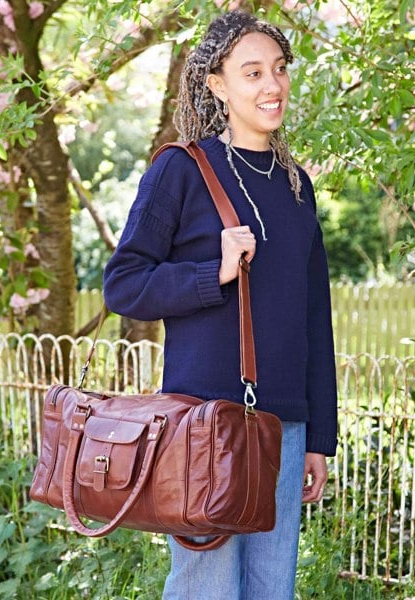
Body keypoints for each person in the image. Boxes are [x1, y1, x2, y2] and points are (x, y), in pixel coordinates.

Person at [103, 9, 338, 600]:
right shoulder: (182, 170)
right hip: (203, 426)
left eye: (279, 70)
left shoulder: (296, 186)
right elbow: (124, 285)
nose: (272, 86)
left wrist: (318, 437)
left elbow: (315, 318)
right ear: (217, 84)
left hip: (281, 426)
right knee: (205, 588)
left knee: (271, 589)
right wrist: (215, 274)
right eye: (252, 72)